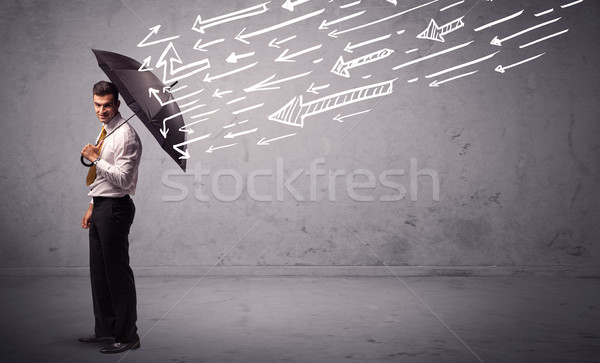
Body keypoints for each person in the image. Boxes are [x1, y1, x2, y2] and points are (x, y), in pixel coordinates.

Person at [79, 80, 142, 354]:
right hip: (102, 206)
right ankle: (105, 330)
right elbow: (104, 179)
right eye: (97, 105)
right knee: (99, 273)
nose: (101, 110)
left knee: (117, 274)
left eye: (107, 105)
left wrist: (95, 159)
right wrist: (93, 203)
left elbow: (124, 179)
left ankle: (128, 336)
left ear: (118, 104)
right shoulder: (106, 130)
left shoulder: (126, 135)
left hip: (116, 209)